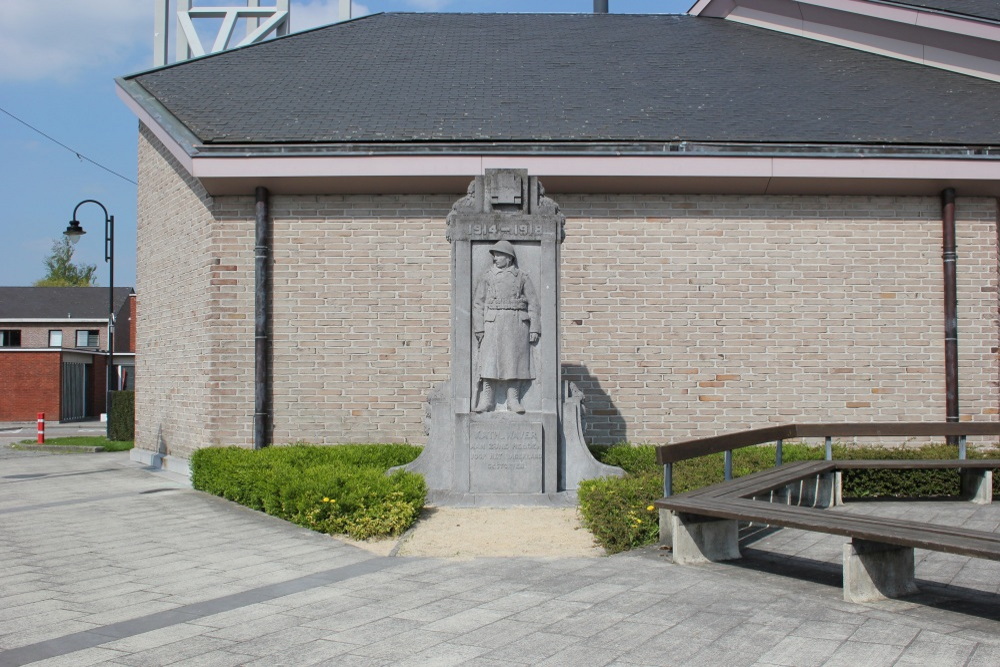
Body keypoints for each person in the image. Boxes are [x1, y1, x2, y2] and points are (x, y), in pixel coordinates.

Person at [473, 240, 540, 413]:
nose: (495, 258)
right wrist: (479, 327)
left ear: (509, 258)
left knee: (515, 363)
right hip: (493, 324)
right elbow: (478, 303)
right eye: (494, 255)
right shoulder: (487, 276)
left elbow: (533, 303)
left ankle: (513, 400)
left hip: (516, 323)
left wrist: (534, 328)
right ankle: (487, 400)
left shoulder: (522, 276)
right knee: (489, 363)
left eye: (499, 254)